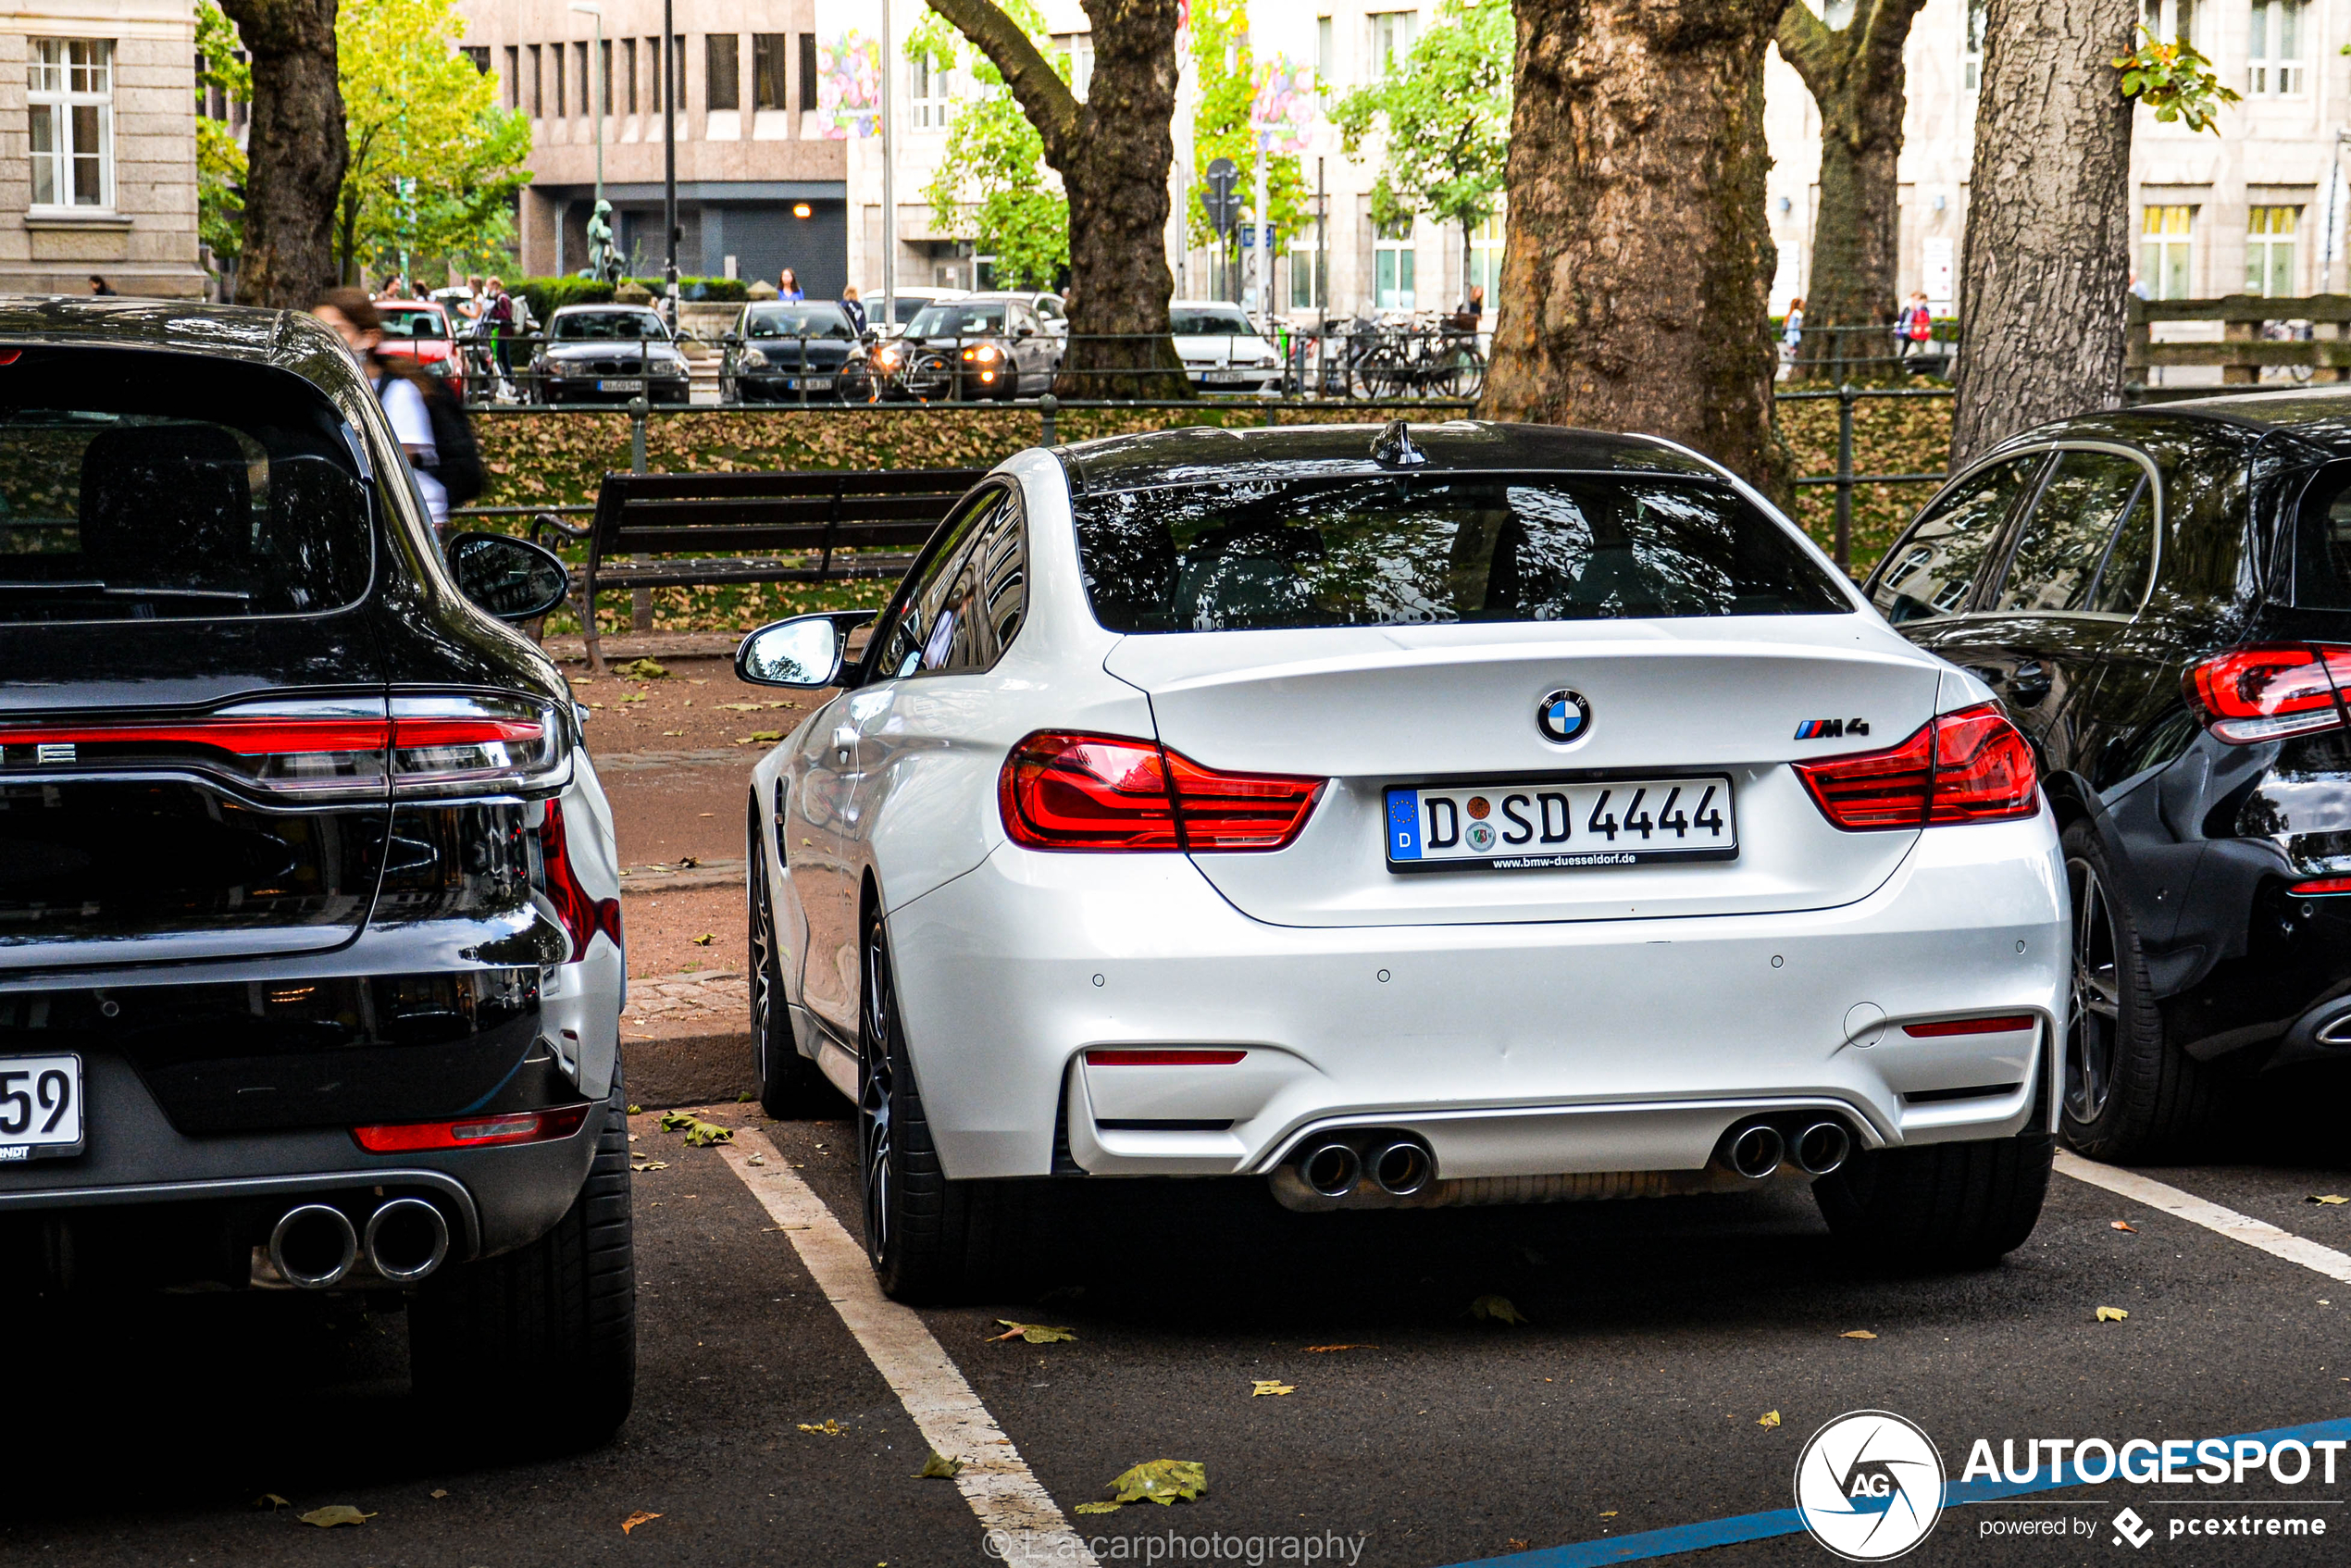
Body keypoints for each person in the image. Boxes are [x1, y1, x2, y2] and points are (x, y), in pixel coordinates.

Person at [314, 286, 453, 531]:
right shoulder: (323, 393)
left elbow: (392, 474)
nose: (324, 343)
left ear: (370, 337)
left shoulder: (399, 394)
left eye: (336, 332)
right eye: (318, 332)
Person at [1897, 291, 1934, 358]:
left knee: (1919, 347)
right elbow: (1905, 318)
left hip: (1917, 331)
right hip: (1910, 331)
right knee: (1906, 347)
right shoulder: (1908, 308)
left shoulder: (1922, 308)